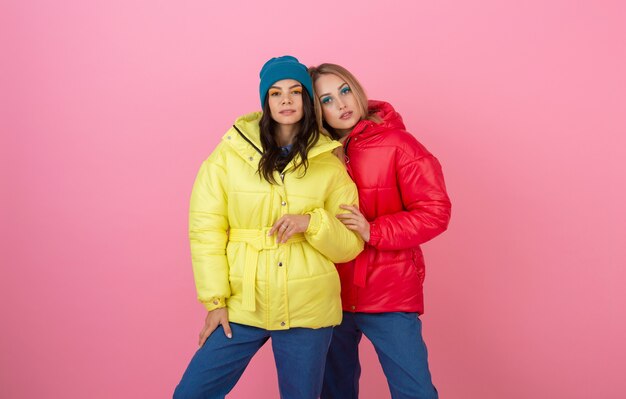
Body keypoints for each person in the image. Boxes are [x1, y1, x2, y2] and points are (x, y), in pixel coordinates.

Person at [174, 56, 364, 399]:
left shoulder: (329, 162)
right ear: (266, 101)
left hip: (309, 308)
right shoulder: (228, 155)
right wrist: (215, 302)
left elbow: (350, 244)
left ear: (307, 99)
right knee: (191, 393)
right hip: (244, 303)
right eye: (276, 93)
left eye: (295, 92)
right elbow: (206, 231)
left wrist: (312, 223)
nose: (286, 100)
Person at [308, 63, 452, 399]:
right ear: (317, 111)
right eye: (327, 100)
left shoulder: (399, 144)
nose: (341, 104)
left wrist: (373, 231)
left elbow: (435, 211)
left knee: (414, 390)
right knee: (333, 391)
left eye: (344, 91)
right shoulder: (315, 156)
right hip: (331, 293)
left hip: (390, 291)